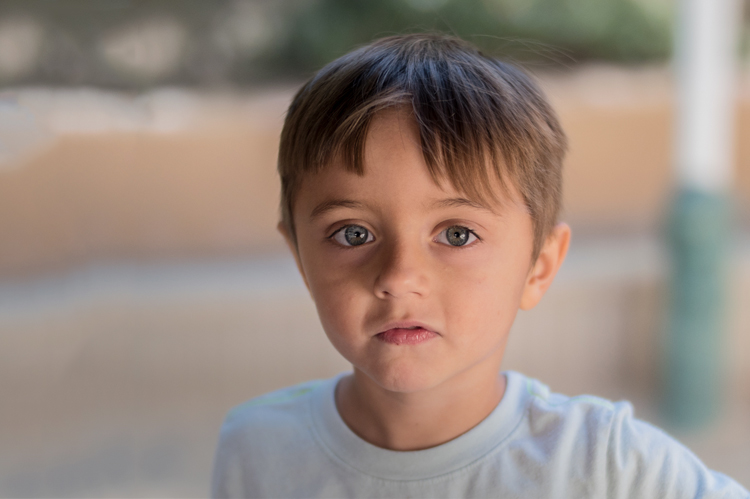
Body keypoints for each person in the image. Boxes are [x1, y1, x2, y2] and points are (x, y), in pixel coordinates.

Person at [211, 33, 749, 498]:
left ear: (539, 268)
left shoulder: (604, 465)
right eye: (353, 234)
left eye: (457, 234)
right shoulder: (257, 449)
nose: (399, 276)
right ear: (301, 260)